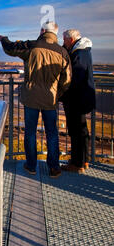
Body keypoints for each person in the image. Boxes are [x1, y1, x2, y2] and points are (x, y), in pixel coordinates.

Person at [0, 21, 71, 178]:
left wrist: (3, 39)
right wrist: (57, 94)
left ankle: (31, 166)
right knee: (52, 133)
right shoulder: (62, 52)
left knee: (30, 132)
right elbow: (67, 80)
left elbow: (11, 48)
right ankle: (54, 168)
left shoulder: (32, 46)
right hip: (50, 100)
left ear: (43, 30)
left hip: (31, 97)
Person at [60, 29, 96, 173]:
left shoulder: (79, 54)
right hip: (82, 97)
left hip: (76, 98)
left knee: (76, 131)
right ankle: (84, 160)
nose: (63, 42)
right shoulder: (83, 51)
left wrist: (64, 91)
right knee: (82, 130)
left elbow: (76, 78)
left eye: (64, 40)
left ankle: (77, 163)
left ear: (71, 39)